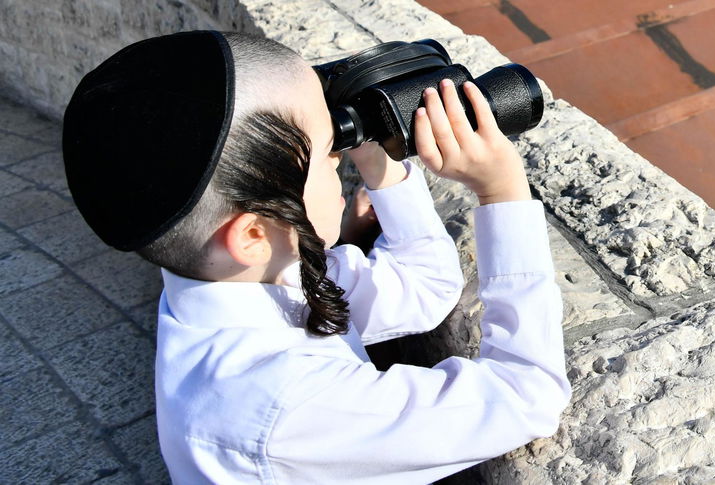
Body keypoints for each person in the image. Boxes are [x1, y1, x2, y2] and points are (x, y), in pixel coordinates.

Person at [62, 31, 570, 483]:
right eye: (328, 153)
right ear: (253, 232)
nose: (339, 158)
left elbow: (424, 289)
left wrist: (377, 151)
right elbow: (527, 395)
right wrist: (502, 189)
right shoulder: (289, 409)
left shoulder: (242, 275)